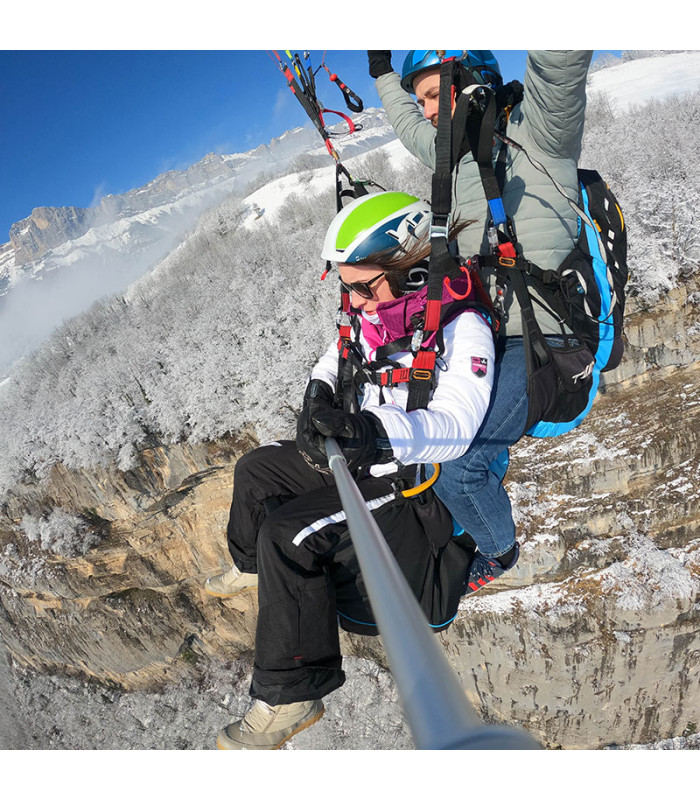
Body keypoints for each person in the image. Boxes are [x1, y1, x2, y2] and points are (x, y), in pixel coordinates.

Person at [205, 191, 495, 750]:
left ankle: (291, 695)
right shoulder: (380, 317)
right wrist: (320, 389)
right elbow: (341, 353)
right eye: (345, 287)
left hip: (409, 479)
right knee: (256, 472)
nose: (354, 301)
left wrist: (378, 431)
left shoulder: (463, 329)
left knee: (286, 536)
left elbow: (458, 425)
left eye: (363, 287)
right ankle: (271, 580)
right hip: (361, 453)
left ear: (411, 270)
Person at [367, 49, 593, 591]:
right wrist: (380, 73)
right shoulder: (457, 154)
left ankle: (498, 550)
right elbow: (406, 124)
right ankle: (471, 495)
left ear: (465, 79)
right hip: (480, 333)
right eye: (419, 98)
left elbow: (559, 63)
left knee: (456, 464)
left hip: (541, 343)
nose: (423, 112)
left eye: (430, 95)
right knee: (410, 432)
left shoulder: (543, 136)